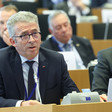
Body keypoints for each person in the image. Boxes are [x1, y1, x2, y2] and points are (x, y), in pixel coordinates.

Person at [0, 11, 79, 107]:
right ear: (13, 41)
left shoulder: (56, 60)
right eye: (24, 35)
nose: (32, 40)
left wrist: (91, 98)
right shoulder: (2, 61)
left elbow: (72, 93)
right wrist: (21, 104)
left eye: (34, 33)